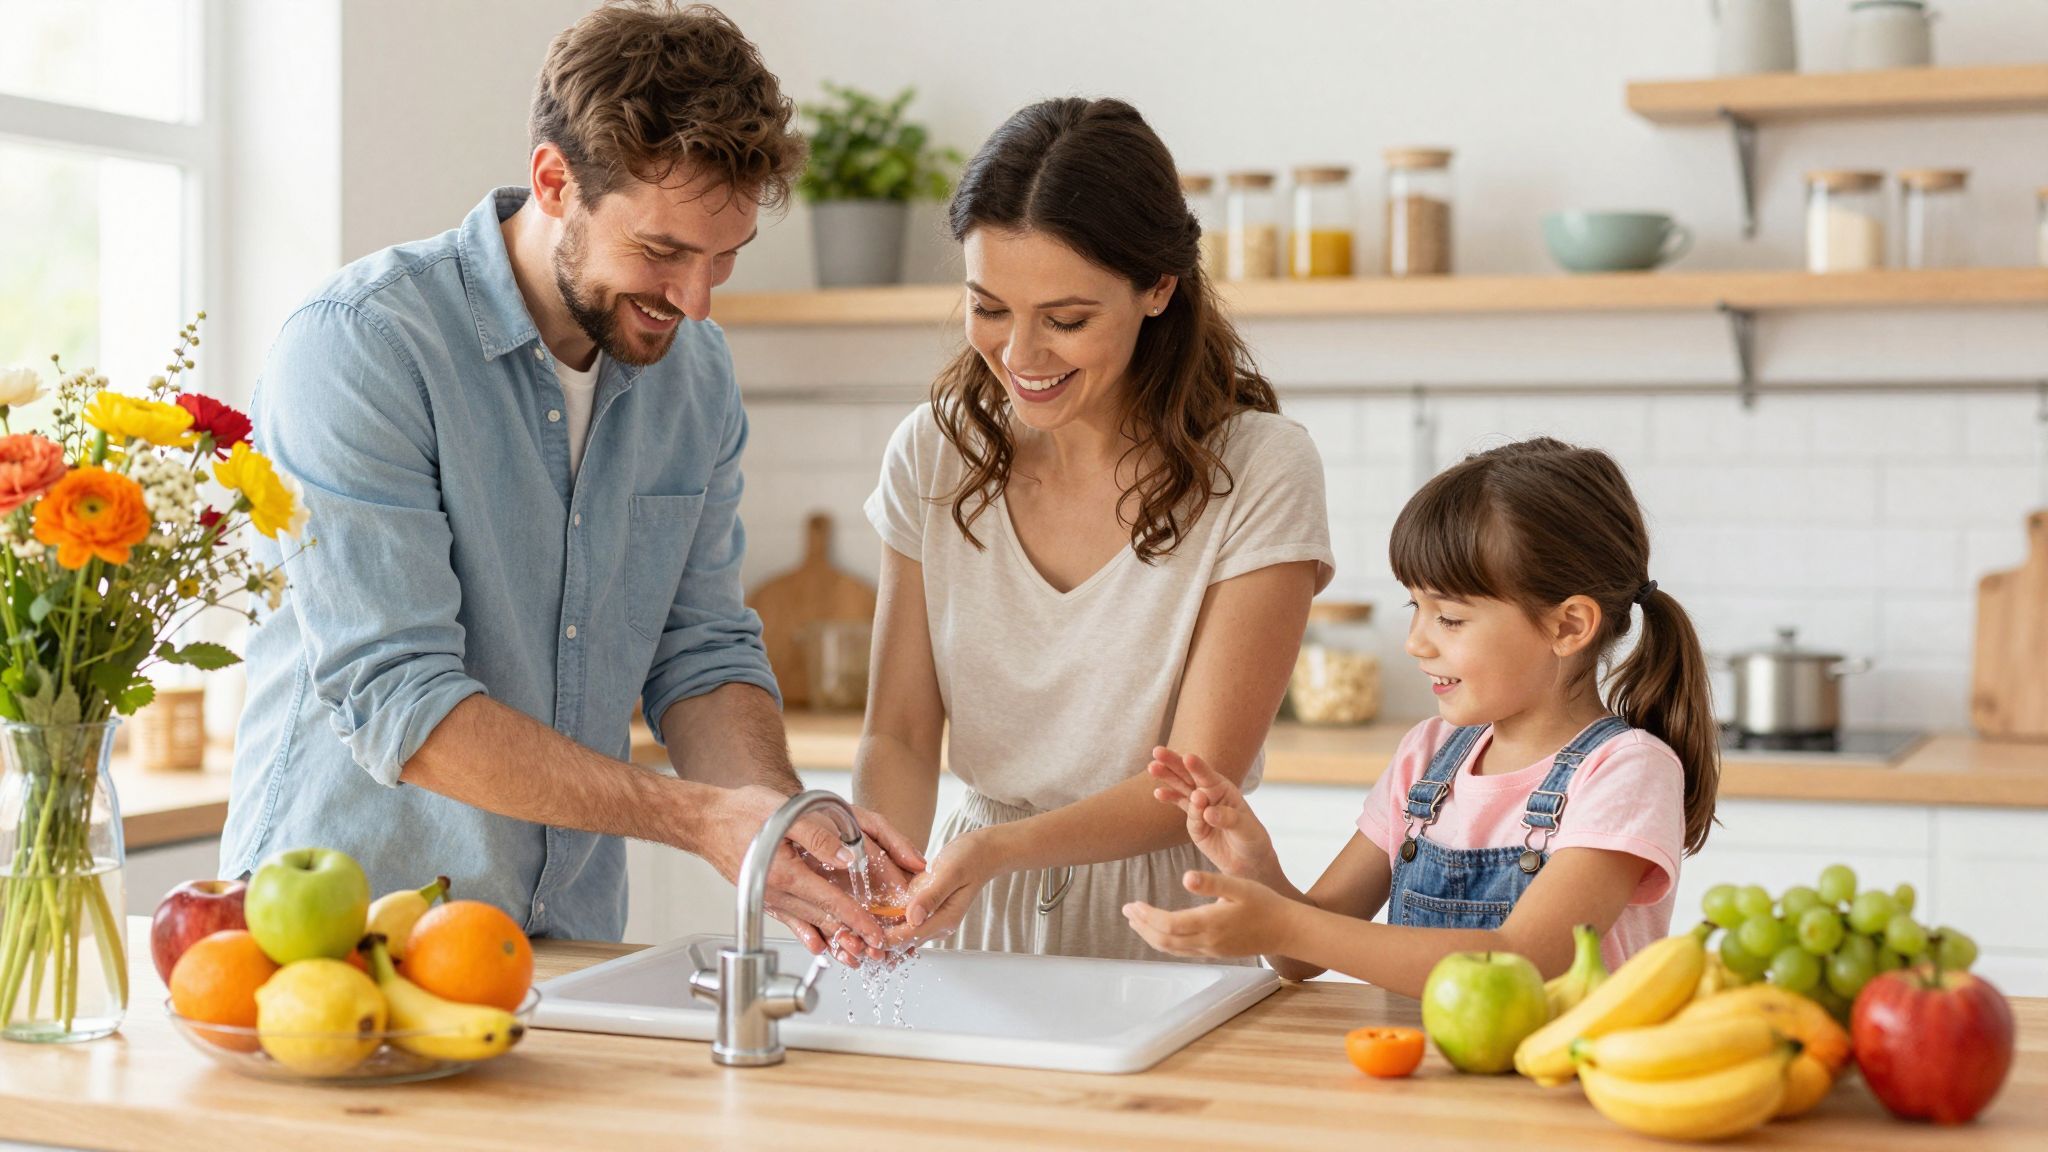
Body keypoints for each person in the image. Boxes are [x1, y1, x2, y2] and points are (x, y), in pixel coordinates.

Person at [222, 0, 917, 951]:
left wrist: (775, 818)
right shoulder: (365, 346)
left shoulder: (696, 374)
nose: (698, 301)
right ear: (554, 181)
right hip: (339, 942)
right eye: (663, 251)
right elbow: (401, 702)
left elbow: (701, 650)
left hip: (568, 944)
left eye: (725, 258)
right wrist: (699, 820)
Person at [854, 97, 1333, 964]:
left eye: (1066, 320)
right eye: (989, 308)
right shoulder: (933, 455)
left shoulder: (1261, 470)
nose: (1021, 356)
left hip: (1172, 915)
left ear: (1158, 288)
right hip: (978, 908)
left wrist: (1001, 850)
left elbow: (1191, 777)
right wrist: (877, 884)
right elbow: (900, 731)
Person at [1124, 438, 1721, 993]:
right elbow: (1300, 958)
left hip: (1555, 1090)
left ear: (1567, 626)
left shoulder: (1626, 770)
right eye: (1417, 606)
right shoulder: (1430, 753)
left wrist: (1286, 926)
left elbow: (1526, 959)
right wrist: (1257, 868)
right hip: (1418, 1077)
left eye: (1450, 618)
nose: (1416, 641)